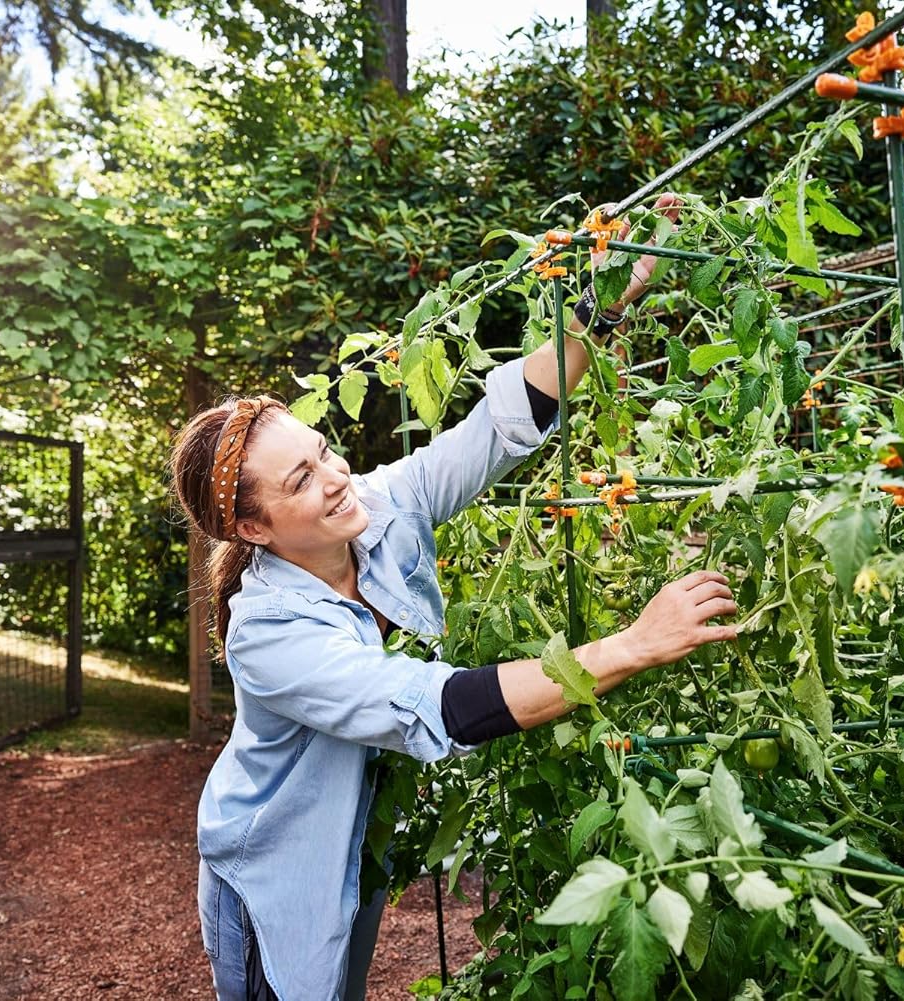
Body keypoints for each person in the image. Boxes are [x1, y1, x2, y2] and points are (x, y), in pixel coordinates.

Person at [170, 195, 737, 1001]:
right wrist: (634, 643)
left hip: (356, 840)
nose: (337, 479)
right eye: (303, 481)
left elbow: (500, 427)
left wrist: (609, 295)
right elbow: (440, 704)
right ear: (254, 528)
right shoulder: (268, 632)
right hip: (276, 866)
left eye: (324, 453)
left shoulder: (377, 505)